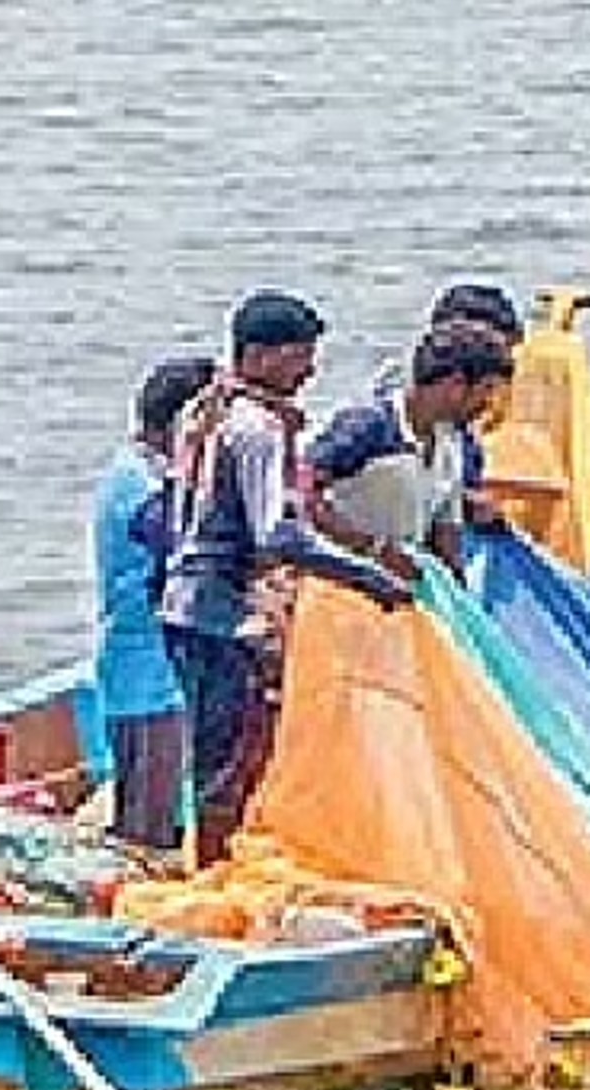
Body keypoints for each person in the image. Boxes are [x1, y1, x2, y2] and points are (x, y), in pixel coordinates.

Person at [157, 292, 407, 861]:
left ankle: (200, 858)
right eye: (300, 357)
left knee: (203, 752)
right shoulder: (257, 429)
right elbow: (276, 535)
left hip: (180, 602)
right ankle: (213, 872)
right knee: (231, 760)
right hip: (222, 610)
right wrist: (365, 576)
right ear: (262, 356)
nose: (309, 371)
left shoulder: (202, 409)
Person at [92, 355, 217, 854]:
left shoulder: (140, 473)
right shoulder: (143, 489)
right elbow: (183, 557)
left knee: (150, 802)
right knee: (149, 819)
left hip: (142, 659)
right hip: (147, 663)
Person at [308, 319, 515, 579]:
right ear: (456, 384)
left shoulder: (452, 444)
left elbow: (445, 529)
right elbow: (302, 493)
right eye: (486, 390)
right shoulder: (369, 427)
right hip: (338, 582)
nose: (488, 404)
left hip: (398, 585)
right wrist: (373, 548)